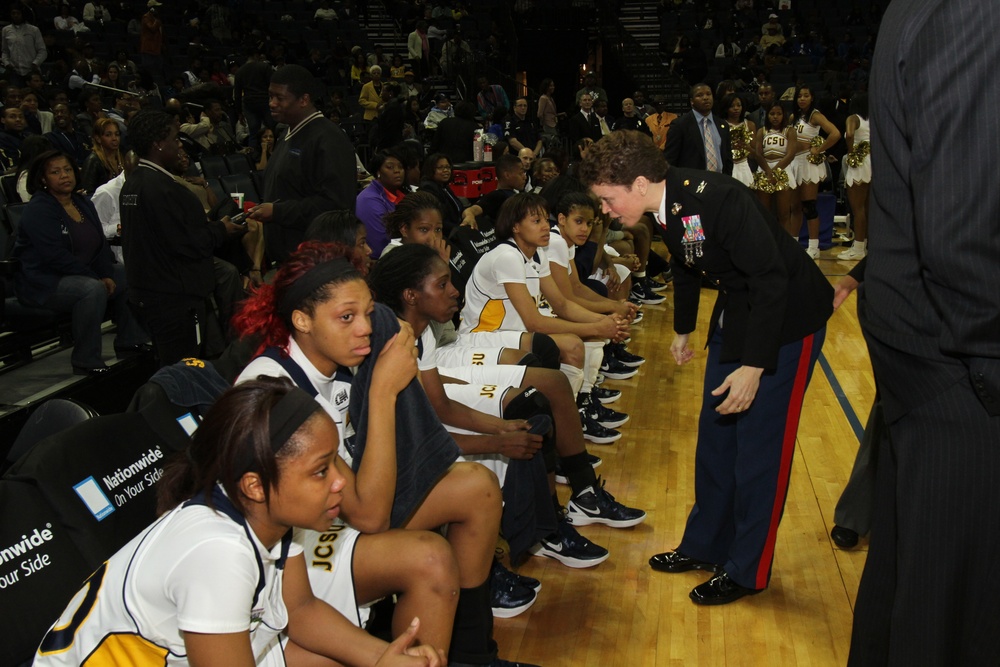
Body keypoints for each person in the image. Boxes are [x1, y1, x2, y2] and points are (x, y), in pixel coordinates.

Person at [233, 242, 531, 667]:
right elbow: (368, 516)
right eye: (346, 317)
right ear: (301, 320)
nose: (365, 329)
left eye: (368, 314)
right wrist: (383, 391)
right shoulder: (274, 389)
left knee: (477, 487)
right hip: (282, 556)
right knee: (429, 559)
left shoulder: (332, 364)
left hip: (327, 515)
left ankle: (471, 654)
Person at [33, 377, 446, 667]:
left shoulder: (265, 514)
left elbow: (301, 610)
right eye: (322, 471)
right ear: (255, 485)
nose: (341, 481)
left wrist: (383, 658)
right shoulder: (218, 554)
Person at [581, 130, 832, 605]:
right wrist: (683, 329)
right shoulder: (667, 203)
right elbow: (687, 260)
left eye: (608, 200)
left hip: (787, 322)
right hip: (740, 312)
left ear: (637, 183)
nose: (606, 213)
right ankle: (705, 545)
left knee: (760, 450)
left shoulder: (719, 199)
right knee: (717, 440)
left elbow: (771, 279)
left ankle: (747, 570)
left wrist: (756, 367)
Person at [849, 1, 1000, 663]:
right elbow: (962, 232)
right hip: (961, 350)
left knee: (915, 575)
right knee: (959, 608)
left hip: (924, 336)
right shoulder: (975, 12)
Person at [121, 109, 244, 366]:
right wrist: (222, 229)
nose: (179, 146)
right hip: (174, 298)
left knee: (172, 364)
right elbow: (188, 243)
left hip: (151, 291)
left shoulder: (132, 184)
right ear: (158, 144)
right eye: (175, 139)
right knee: (185, 367)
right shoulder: (165, 189)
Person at [12, 150, 146, 375]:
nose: (64, 176)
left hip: (82, 273)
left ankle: (130, 339)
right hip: (44, 281)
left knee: (126, 273)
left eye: (67, 170)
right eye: (56, 172)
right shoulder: (38, 209)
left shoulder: (82, 202)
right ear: (43, 179)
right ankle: (86, 359)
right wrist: (97, 278)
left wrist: (106, 273)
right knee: (91, 289)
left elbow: (100, 245)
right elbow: (54, 256)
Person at [248, 65, 357, 266]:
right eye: (270, 96)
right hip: (290, 259)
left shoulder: (328, 139)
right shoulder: (287, 133)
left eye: (280, 98)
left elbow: (335, 206)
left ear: (304, 100)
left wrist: (277, 211)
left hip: (316, 262)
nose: (271, 103)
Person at [787, 84, 841, 259]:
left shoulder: (815, 115)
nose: (802, 99)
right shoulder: (793, 117)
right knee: (794, 207)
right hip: (794, 162)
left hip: (808, 163)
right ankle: (793, 244)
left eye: (805, 95)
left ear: (812, 98)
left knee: (809, 206)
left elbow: (835, 133)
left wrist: (820, 150)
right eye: (799, 96)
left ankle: (814, 246)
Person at [664, 83, 733, 175]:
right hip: (692, 182)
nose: (705, 98)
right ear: (692, 101)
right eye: (699, 95)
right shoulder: (680, 125)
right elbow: (670, 159)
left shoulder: (722, 125)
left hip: (719, 181)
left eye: (708, 94)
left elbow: (727, 157)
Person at [752, 102, 798, 235]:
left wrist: (775, 172)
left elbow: (790, 154)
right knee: (765, 213)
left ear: (784, 115)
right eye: (772, 114)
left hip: (782, 170)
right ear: (767, 115)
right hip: (764, 170)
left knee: (784, 214)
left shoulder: (789, 131)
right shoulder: (762, 131)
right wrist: (768, 171)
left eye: (779, 114)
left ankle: (785, 246)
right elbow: (758, 153)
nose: (775, 117)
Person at [356, 150, 406, 258]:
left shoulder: (401, 194)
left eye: (400, 167)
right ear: (378, 172)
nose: (397, 171)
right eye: (390, 167)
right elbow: (380, 245)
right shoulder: (369, 200)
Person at [418, 153, 481, 236]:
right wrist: (460, 229)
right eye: (440, 168)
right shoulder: (428, 188)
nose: (446, 170)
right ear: (430, 169)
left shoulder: (444, 187)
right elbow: (440, 220)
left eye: (447, 167)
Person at [839, 94, 870, 260]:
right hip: (873, 163)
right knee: (868, 208)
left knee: (858, 209)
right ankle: (865, 246)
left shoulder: (853, 118)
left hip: (859, 163)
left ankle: (858, 249)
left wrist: (851, 153)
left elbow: (849, 135)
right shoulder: (871, 120)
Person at [1, 5, 46, 86]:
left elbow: (42, 51)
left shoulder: (34, 30)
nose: (15, 15)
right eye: (13, 13)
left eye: (18, 13)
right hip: (14, 71)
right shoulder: (5, 30)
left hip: (31, 71)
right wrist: (7, 63)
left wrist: (35, 63)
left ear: (22, 14)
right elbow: (4, 51)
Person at [720, 93, 755, 188]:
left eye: (739, 105)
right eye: (732, 106)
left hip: (744, 166)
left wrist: (747, 148)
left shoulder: (750, 124)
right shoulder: (720, 125)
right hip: (727, 166)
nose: (736, 108)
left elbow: (754, 153)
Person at [80, 117, 123, 194]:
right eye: (108, 135)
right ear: (98, 138)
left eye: (117, 134)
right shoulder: (93, 161)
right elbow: (88, 192)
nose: (114, 138)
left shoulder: (121, 158)